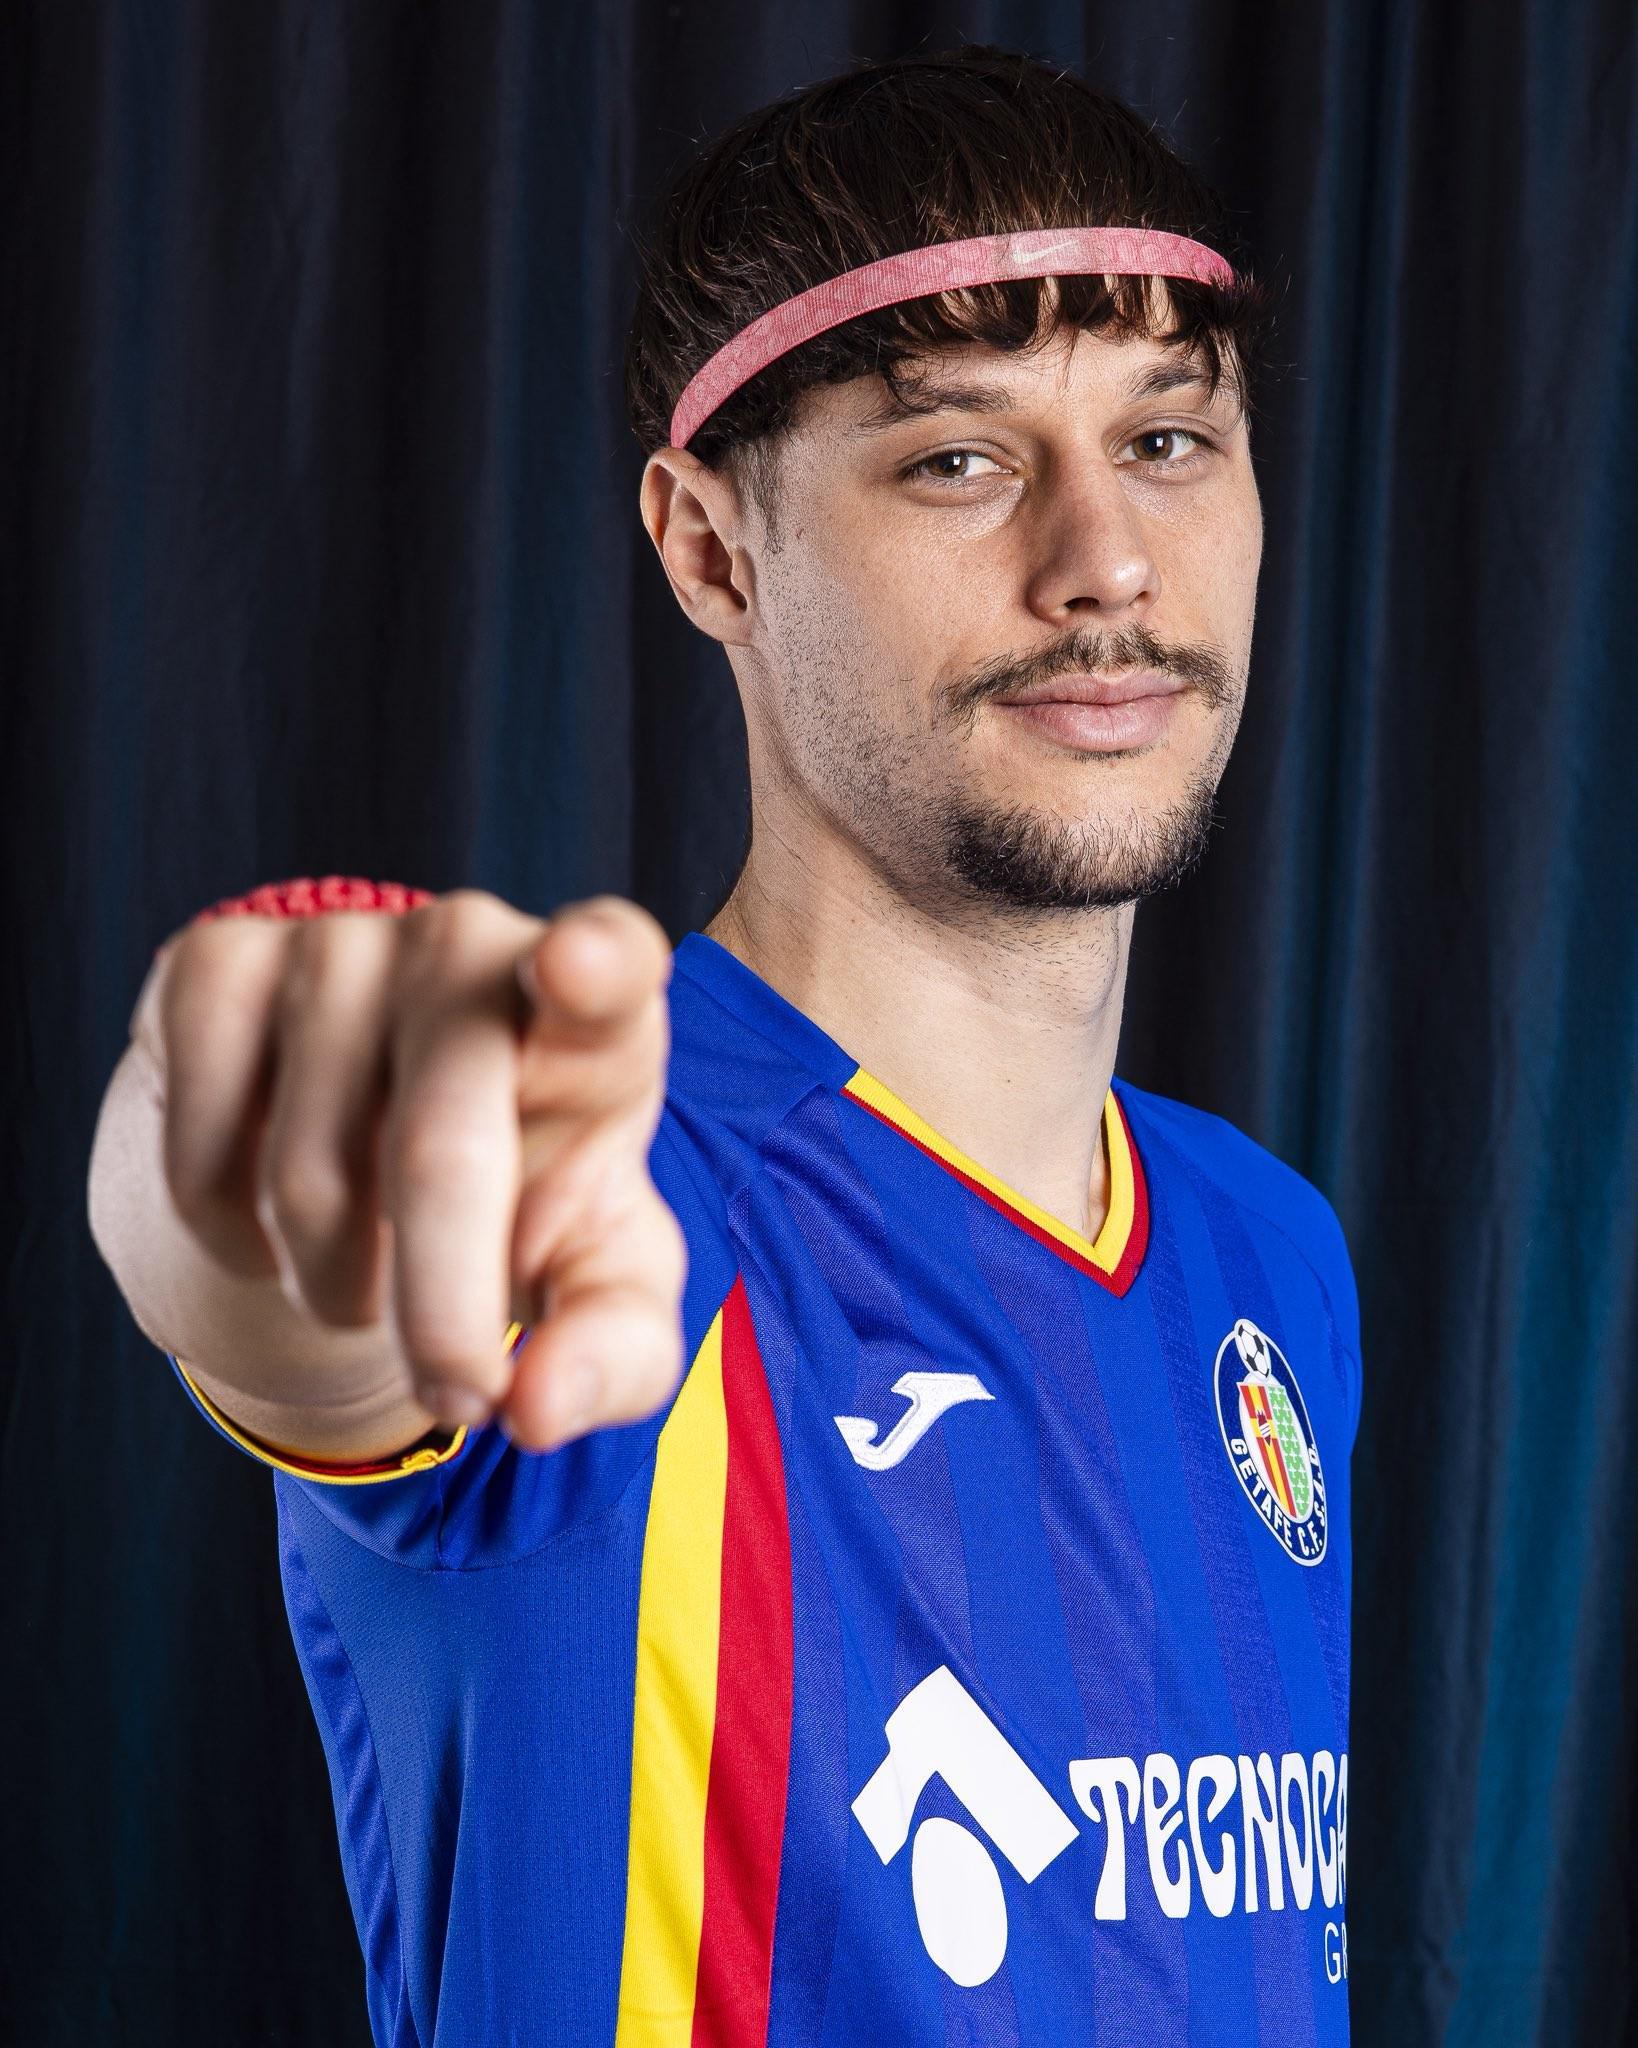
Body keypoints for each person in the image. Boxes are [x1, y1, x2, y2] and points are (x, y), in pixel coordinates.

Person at [88, 42, 1360, 2048]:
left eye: (1168, 437)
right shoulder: (594, 1189)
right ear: (710, 548)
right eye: (957, 458)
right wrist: (244, 1149)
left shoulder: (1274, 1252)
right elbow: (305, 1289)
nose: (1107, 558)